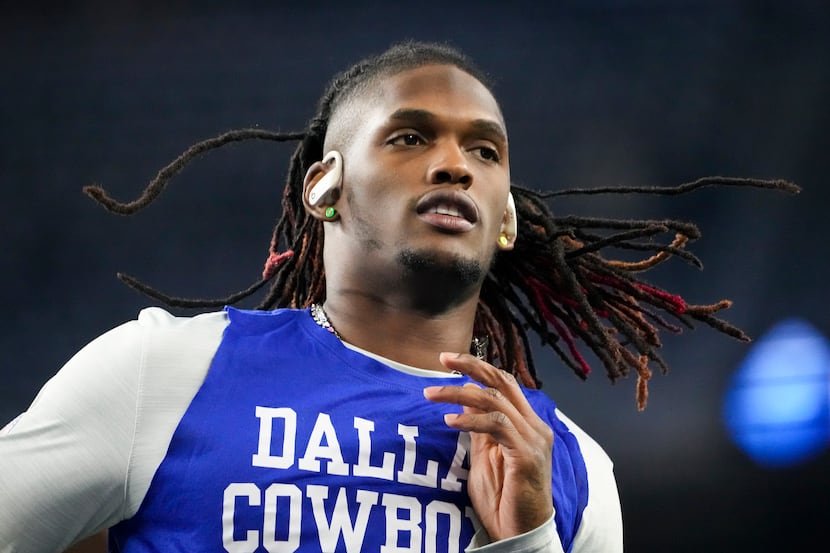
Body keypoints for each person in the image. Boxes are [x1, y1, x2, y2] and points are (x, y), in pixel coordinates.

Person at [0, 41, 797, 553]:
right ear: (325, 185)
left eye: (484, 150)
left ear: (508, 217)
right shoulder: (164, 372)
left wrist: (525, 541)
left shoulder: (572, 469)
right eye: (411, 136)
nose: (455, 165)